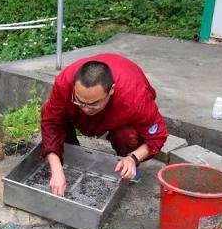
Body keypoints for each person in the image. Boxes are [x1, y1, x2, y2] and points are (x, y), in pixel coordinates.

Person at [40, 53, 168, 196]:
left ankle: (127, 164)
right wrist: (56, 169)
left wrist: (133, 158)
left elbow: (157, 136)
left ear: (111, 90)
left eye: (93, 103)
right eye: (79, 101)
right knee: (48, 110)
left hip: (122, 110)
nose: (85, 108)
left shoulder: (134, 96)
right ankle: (71, 153)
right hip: (82, 109)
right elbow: (51, 123)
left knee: (127, 135)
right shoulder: (65, 82)